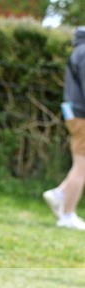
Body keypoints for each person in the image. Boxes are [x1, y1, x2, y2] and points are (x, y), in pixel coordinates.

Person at [43, 26, 85, 231]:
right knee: (82, 166)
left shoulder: (78, 51)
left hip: (74, 113)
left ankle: (60, 193)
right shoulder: (84, 53)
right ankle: (67, 215)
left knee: (81, 163)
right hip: (82, 114)